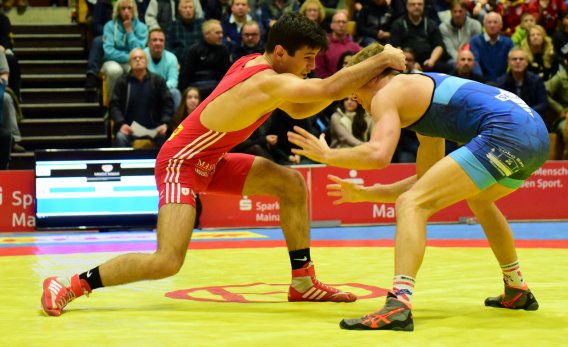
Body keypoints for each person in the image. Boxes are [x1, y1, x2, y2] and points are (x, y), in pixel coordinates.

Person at [40, 12, 406, 317]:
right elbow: (325, 92)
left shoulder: (265, 69)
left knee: (291, 183)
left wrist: (353, 78)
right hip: (180, 163)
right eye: (307, 58)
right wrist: (382, 59)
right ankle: (71, 284)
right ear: (281, 52)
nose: (312, 67)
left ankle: (303, 282)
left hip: (211, 159)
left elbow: (302, 106)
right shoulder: (264, 81)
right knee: (168, 260)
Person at [288, 42, 548, 331]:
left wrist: (328, 156)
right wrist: (365, 194)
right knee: (479, 200)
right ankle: (516, 289)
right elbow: (427, 180)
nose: (354, 97)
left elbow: (378, 156)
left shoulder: (388, 93)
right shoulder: (423, 102)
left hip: (506, 132)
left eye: (355, 85)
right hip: (536, 135)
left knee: (411, 204)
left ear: (372, 76)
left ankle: (398, 303)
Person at [110, 48, 174, 148]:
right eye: (134, 58)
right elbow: (114, 105)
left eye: (141, 58)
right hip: (129, 129)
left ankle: (162, 164)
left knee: (167, 138)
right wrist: (121, 124)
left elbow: (168, 103)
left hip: (155, 129)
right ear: (130, 63)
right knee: (120, 137)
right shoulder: (122, 82)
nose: (138, 60)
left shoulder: (157, 80)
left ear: (147, 61)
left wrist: (165, 123)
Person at [496, 47, 548, 126]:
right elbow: (498, 106)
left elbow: (543, 104)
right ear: (508, 62)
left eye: (521, 59)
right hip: (509, 121)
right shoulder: (501, 82)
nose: (518, 61)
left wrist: (526, 113)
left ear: (527, 62)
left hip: (533, 119)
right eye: (514, 59)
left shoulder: (537, 80)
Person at [470, 11, 514, 83]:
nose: (492, 25)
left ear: (501, 25)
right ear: (484, 25)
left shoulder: (508, 42)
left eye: (495, 22)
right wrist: (482, 82)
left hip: (503, 83)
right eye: (489, 22)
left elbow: (512, 64)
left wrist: (503, 81)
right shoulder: (475, 41)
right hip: (481, 82)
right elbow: (475, 63)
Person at [144, 28, 181, 111]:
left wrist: (159, 89)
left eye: (161, 40)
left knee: (175, 93)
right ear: (148, 43)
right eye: (154, 40)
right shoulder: (142, 56)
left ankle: (177, 122)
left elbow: (173, 81)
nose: (158, 43)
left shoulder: (171, 58)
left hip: (164, 90)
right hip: (145, 90)